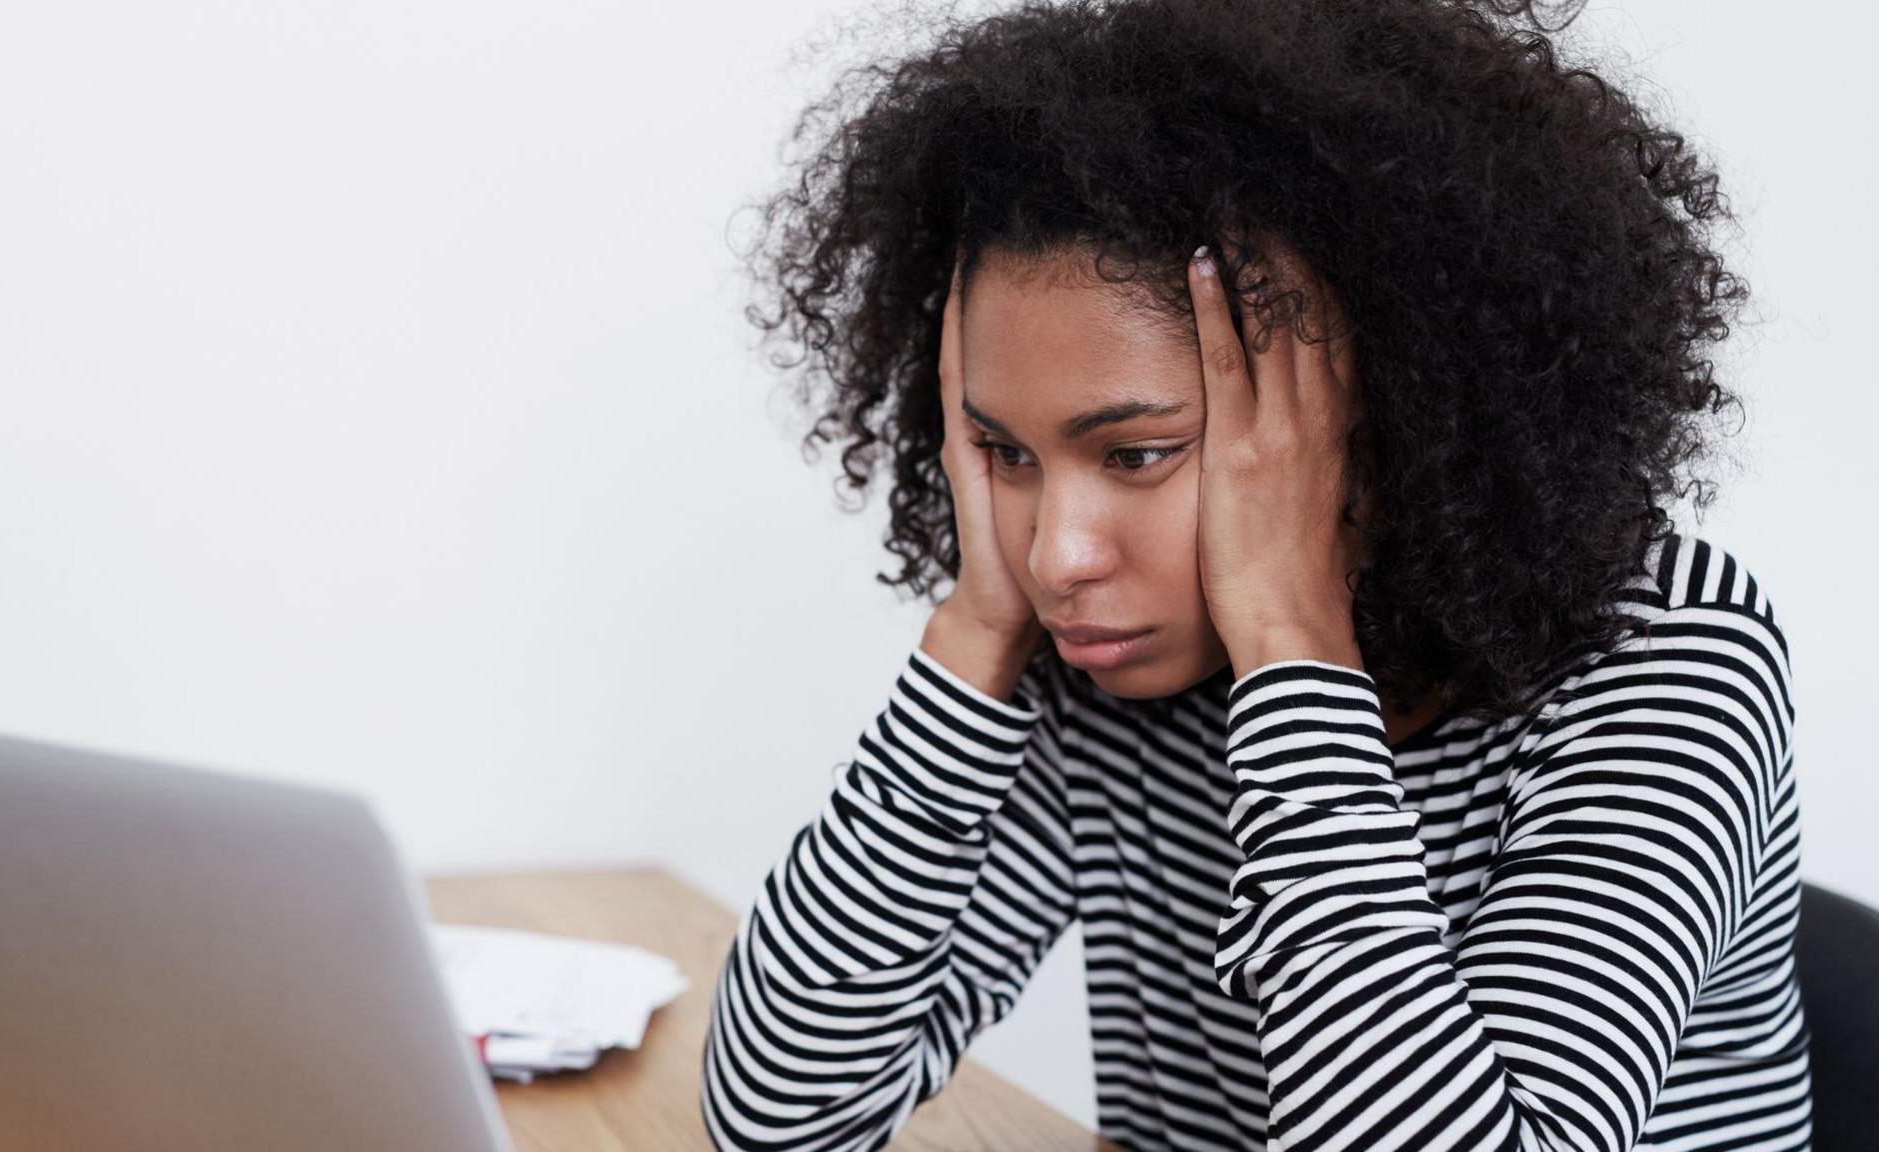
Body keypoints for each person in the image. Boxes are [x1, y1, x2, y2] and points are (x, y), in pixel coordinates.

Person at [698, 1, 1808, 1150]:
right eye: (1006, 454)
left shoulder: (1662, 657)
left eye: (1134, 454)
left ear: (1370, 416)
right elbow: (781, 1119)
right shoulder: (1097, 661)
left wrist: (1287, 636)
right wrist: (973, 639)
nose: (1054, 555)